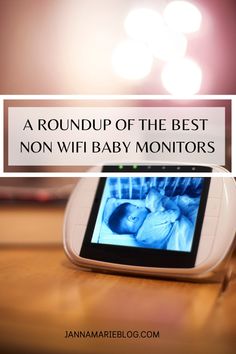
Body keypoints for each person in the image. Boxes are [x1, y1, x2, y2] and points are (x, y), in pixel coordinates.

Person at [108, 188, 193, 251]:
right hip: (185, 236)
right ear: (133, 218)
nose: (142, 207)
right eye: (137, 207)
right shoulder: (152, 218)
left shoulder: (140, 239)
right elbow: (176, 212)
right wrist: (163, 199)